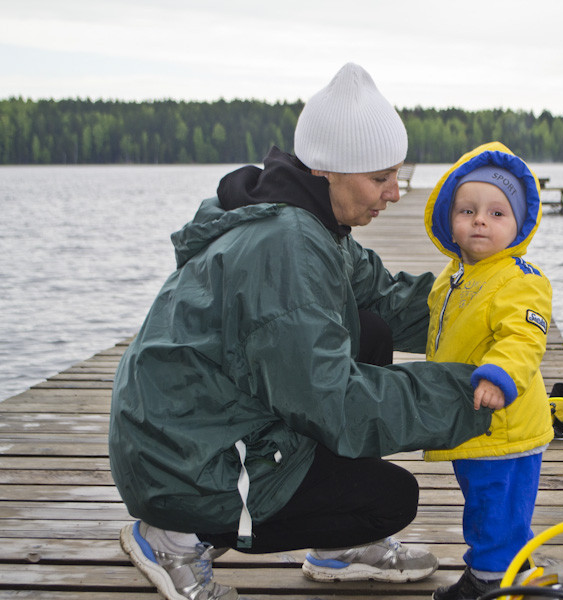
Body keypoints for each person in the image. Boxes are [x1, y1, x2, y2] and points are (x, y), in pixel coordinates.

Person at [108, 63, 495, 600]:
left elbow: (386, 296)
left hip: (204, 424)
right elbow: (334, 402)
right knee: (387, 500)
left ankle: (335, 550)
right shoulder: (284, 248)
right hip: (184, 463)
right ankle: (175, 536)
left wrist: (490, 308)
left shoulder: (312, 223)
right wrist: (469, 396)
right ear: (330, 171)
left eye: (397, 176)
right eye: (381, 178)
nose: (394, 194)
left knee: (373, 329)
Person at [422, 142, 555, 600]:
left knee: (493, 509)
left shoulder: (520, 280)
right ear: (449, 221)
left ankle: (489, 582)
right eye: (467, 210)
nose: (480, 220)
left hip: (503, 420)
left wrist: (499, 375)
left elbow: (523, 337)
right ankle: (512, 571)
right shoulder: (454, 273)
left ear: (519, 226)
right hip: (474, 422)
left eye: (498, 213)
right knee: (490, 505)